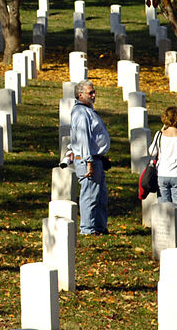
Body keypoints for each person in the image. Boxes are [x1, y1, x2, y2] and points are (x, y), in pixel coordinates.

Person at [68, 79, 111, 235]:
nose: (94, 95)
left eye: (94, 92)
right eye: (90, 93)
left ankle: (99, 227)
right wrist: (89, 162)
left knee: (100, 196)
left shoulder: (88, 110)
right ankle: (87, 229)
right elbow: (83, 139)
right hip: (88, 160)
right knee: (90, 195)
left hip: (95, 159)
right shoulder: (81, 113)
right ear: (80, 95)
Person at [150, 105, 177, 245]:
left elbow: (152, 151)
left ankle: (165, 237)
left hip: (162, 175)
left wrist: (162, 130)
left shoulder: (159, 135)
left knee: (164, 207)